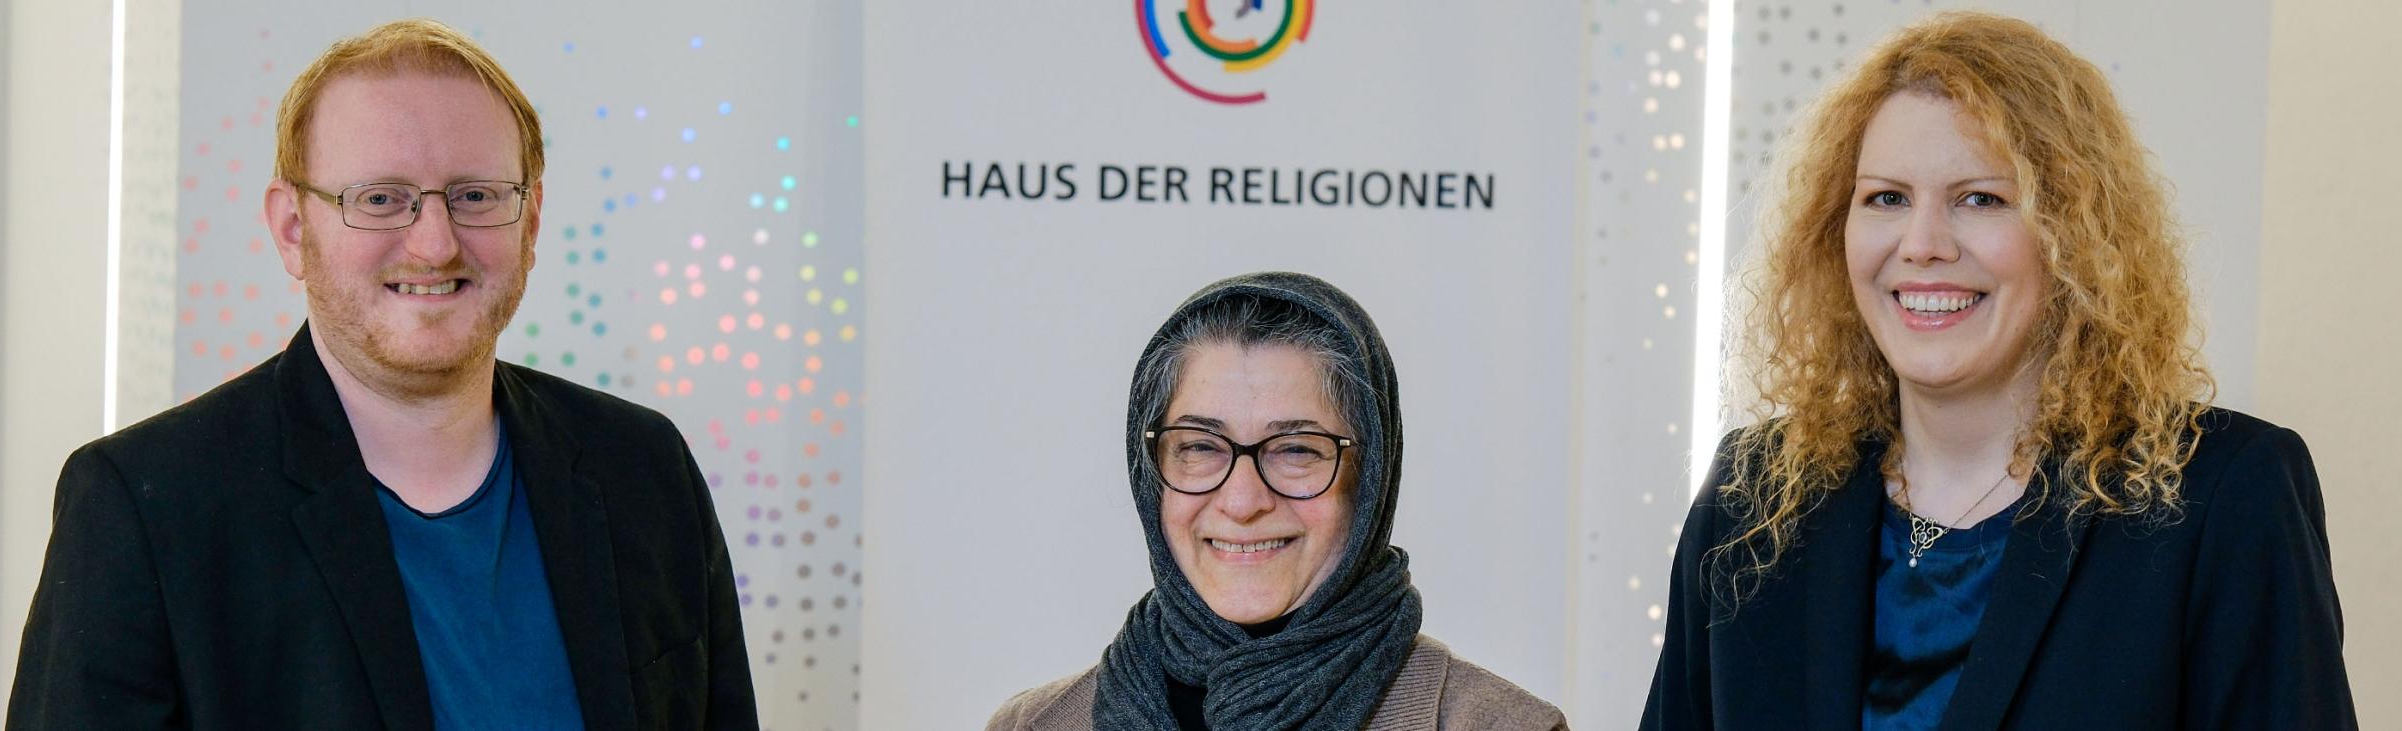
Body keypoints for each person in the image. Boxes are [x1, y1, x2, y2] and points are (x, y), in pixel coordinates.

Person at [8, 19, 756, 729]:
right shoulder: (147, 508)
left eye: (475, 196)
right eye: (379, 200)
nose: (434, 244)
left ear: (529, 224)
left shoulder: (644, 468)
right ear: (293, 229)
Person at [1641, 11, 2354, 730]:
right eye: (1887, 197)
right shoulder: (1750, 499)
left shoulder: (2224, 497)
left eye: (1980, 199)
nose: (1921, 244)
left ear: (2072, 233)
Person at [988, 272, 1564, 730]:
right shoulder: (1034, 725)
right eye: (1200, 446)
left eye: (1295, 449)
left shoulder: (1502, 725)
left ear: (1369, 479)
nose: (1242, 501)